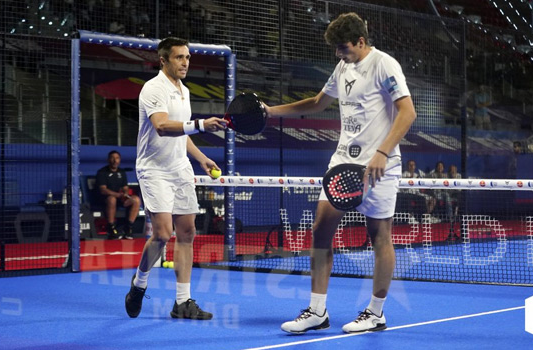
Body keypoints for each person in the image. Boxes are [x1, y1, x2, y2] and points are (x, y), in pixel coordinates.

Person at [264, 13, 417, 334]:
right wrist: (272, 111)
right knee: (320, 230)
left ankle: (375, 312)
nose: (338, 53)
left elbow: (408, 111)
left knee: (379, 236)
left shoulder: (384, 64)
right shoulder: (343, 66)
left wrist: (383, 152)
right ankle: (317, 311)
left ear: (361, 42)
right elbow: (320, 102)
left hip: (380, 166)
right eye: (336, 49)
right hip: (342, 162)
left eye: (343, 47)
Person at [124, 37, 227, 321]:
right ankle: (139, 284)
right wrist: (200, 125)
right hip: (154, 169)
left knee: (187, 232)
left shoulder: (184, 90)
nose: (185, 62)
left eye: (188, 57)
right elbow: (161, 126)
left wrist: (201, 157)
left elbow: (182, 135)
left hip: (180, 167)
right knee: (161, 234)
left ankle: (182, 302)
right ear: (164, 60)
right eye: (179, 57)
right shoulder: (153, 88)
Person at [95, 150, 141, 239]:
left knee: (136, 200)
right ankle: (111, 228)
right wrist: (118, 195)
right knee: (112, 199)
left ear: (119, 160)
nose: (115, 160)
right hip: (105, 200)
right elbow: (103, 190)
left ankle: (128, 228)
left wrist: (126, 194)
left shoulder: (122, 172)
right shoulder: (102, 172)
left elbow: (125, 187)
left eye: (117, 158)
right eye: (112, 158)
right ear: (108, 160)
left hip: (120, 199)